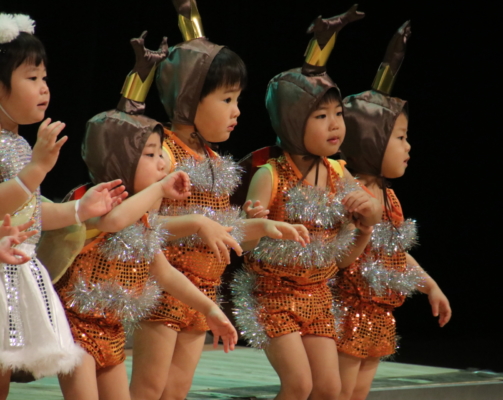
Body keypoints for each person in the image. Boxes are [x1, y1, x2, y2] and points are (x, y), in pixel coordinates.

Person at [129, 3, 309, 400]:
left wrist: (262, 227)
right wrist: (196, 222)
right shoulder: (164, 154)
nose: (237, 111)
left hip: (203, 290)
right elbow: (140, 225)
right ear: (190, 97)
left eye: (237, 99)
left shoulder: (214, 163)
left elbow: (222, 233)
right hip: (164, 286)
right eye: (227, 99)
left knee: (176, 390)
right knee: (149, 388)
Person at [53, 33, 239, 400]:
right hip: (74, 329)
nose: (162, 163)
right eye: (151, 155)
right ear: (121, 160)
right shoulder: (96, 202)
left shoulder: (142, 220)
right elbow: (113, 222)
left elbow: (165, 273)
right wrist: (160, 189)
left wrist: (210, 309)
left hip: (112, 331)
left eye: (160, 154)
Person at [231, 7, 381, 400]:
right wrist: (255, 223)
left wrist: (367, 221)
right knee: (299, 385)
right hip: (272, 294)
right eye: (321, 116)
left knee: (329, 389)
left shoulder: (338, 173)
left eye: (338, 114)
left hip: (317, 294)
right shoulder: (270, 174)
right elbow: (242, 242)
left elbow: (347, 253)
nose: (335, 125)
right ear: (293, 121)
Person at [0, 13, 127, 399]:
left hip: (15, 272)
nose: (44, 88)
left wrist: (79, 210)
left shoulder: (19, 144)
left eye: (44, 77)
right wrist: (36, 169)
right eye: (31, 78)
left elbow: (32, 211)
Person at [336, 22, 452, 400]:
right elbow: (338, 254)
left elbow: (395, 255)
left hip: (380, 314)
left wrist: (430, 285)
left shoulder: (390, 199)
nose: (408, 147)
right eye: (400, 138)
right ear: (371, 142)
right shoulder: (348, 193)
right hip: (346, 311)